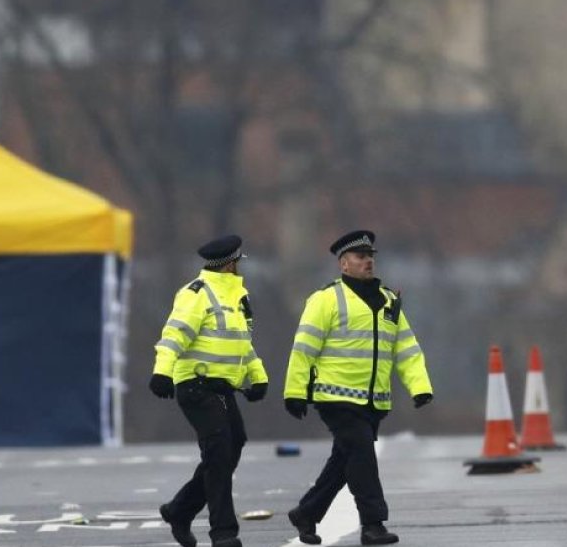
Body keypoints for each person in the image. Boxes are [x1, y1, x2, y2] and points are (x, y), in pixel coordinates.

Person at [282, 230, 433, 546]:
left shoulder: (389, 301)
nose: (368, 261)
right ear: (343, 264)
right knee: (362, 455)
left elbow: (406, 349)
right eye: (360, 257)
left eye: (370, 256)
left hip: (373, 400)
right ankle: (373, 524)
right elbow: (303, 349)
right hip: (334, 396)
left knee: (344, 460)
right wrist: (295, 392)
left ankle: (306, 513)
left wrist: (419, 386)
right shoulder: (325, 300)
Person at [150, 234, 268, 547]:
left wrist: (258, 377)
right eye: (238, 263)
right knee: (218, 455)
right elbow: (173, 336)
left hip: (223, 389)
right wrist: (162, 372)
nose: (240, 268)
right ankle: (224, 534)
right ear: (230, 264)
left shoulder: (237, 297)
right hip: (196, 385)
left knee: (233, 446)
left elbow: (243, 345)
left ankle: (179, 510)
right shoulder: (196, 293)